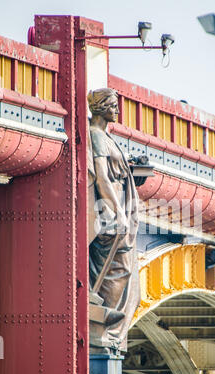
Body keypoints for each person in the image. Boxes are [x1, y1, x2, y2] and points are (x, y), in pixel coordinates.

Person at [87, 88, 140, 352]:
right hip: (110, 212)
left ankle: (109, 327)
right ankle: (101, 327)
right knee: (115, 269)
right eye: (114, 106)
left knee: (122, 269)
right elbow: (101, 177)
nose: (118, 111)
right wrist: (119, 211)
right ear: (102, 108)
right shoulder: (96, 135)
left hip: (118, 207)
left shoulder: (106, 137)